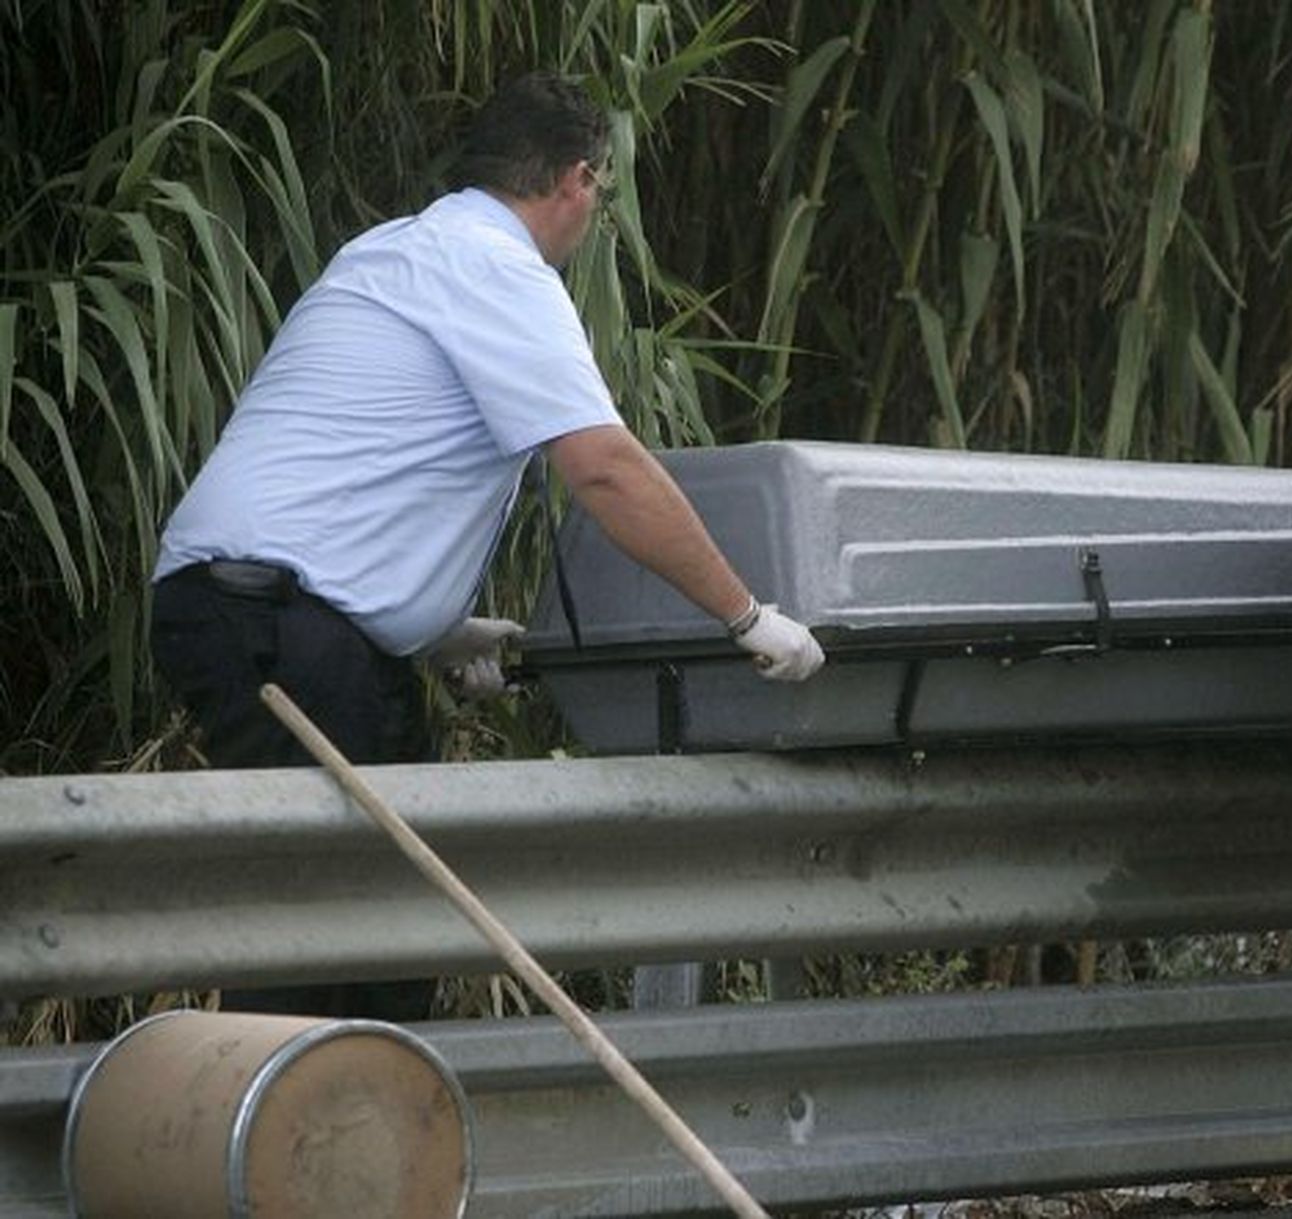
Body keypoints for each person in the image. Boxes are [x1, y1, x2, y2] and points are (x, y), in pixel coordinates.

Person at [149, 72, 825, 1020]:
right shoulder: (497, 266)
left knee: (383, 914)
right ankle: (279, 1108)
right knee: (330, 926)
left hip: (245, 607)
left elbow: (350, 472)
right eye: (601, 189)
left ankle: (355, 1107)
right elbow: (604, 469)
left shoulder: (391, 249)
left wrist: (435, 631)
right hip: (282, 627)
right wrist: (747, 617)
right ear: (579, 179)